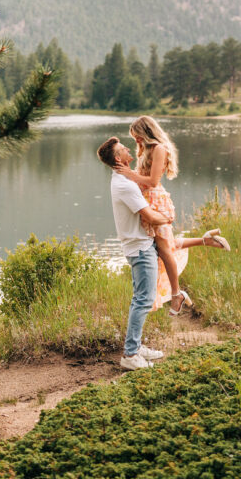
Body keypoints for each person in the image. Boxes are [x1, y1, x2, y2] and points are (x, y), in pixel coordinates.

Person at [116, 116, 231, 314]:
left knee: (164, 249)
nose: (136, 142)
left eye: (137, 137)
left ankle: (177, 294)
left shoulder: (160, 149)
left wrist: (129, 174)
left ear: (146, 132)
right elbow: (140, 181)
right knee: (162, 247)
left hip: (157, 202)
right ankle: (206, 240)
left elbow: (152, 181)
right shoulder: (145, 149)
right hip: (146, 203)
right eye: (134, 139)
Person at [97, 136, 171, 370]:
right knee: (143, 299)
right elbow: (149, 216)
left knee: (141, 298)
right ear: (118, 158)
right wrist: (168, 218)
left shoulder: (123, 180)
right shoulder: (124, 185)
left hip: (140, 244)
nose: (129, 149)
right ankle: (130, 355)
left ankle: (136, 347)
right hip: (139, 247)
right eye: (123, 149)